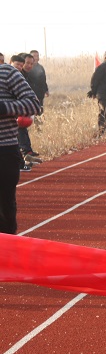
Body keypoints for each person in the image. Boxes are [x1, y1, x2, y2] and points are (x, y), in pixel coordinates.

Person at [0, 60, 42, 233]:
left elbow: (34, 105)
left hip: (4, 151)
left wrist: (4, 107)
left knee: (4, 211)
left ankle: (7, 248)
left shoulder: (7, 73)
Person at [89, 50, 106, 136]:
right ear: (105, 58)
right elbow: (94, 80)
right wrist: (93, 92)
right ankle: (100, 131)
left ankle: (104, 129)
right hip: (102, 93)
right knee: (103, 112)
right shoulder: (101, 67)